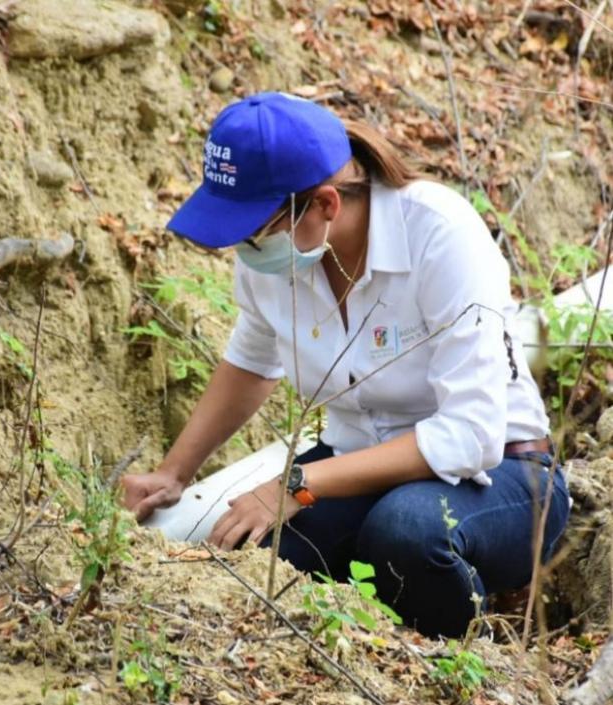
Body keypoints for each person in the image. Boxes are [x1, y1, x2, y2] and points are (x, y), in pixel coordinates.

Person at [120, 93, 569, 638]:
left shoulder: (439, 234)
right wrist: (173, 473)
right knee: (252, 546)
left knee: (405, 532)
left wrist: (297, 482)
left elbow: (469, 435)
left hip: (502, 476)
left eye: (254, 231)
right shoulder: (277, 257)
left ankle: (469, 652)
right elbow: (252, 361)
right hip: (355, 468)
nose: (245, 248)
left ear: (326, 205)